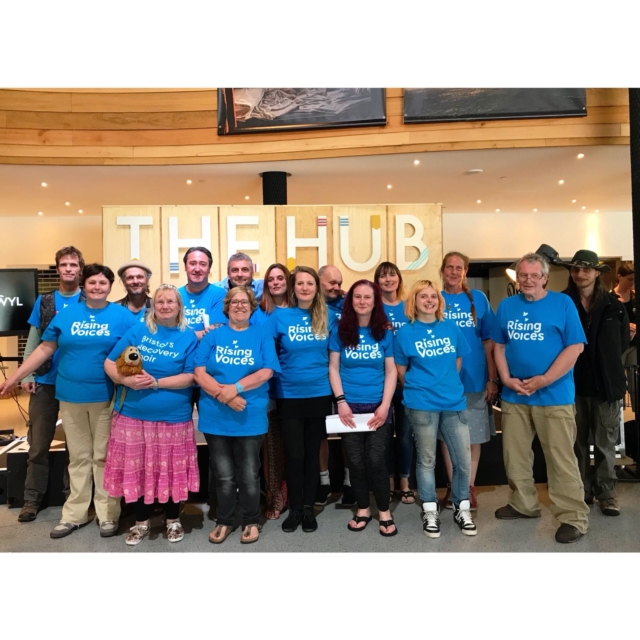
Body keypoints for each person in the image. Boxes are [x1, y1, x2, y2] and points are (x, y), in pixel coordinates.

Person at [0, 264, 137, 539]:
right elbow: (44, 348)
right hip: (70, 396)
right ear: (83, 286)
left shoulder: (122, 317)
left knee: (103, 457)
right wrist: (15, 377)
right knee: (78, 458)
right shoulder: (67, 315)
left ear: (110, 287)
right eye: (92, 283)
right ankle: (74, 514)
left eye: (103, 283)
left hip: (107, 398)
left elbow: (136, 352)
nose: (97, 287)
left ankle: (107, 514)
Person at [492, 252, 589, 544]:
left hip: (554, 395)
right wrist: (506, 379)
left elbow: (575, 348)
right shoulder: (507, 306)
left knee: (561, 460)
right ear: (517, 278)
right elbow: (498, 346)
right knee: (515, 457)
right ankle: (524, 504)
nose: (529, 280)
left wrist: (544, 379)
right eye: (523, 275)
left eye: (535, 275)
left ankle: (573, 518)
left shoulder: (563, 304)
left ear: (545, 278)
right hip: (515, 396)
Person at [103, 284, 200, 545]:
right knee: (139, 472)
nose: (165, 306)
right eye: (160, 302)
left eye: (171, 301)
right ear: (152, 305)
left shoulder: (188, 336)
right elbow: (110, 362)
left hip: (173, 416)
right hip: (133, 415)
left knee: (169, 471)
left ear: (179, 306)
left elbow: (191, 376)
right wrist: (124, 381)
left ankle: (172, 520)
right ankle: (141, 522)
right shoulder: (138, 330)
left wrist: (156, 383)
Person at [195, 286, 280, 544]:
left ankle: (251, 520)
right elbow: (199, 372)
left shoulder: (262, 333)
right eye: (234, 302)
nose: (240, 306)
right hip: (215, 416)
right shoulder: (213, 336)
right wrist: (226, 396)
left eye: (244, 302)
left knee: (249, 472)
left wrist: (236, 389)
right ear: (227, 306)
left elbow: (267, 371)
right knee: (223, 474)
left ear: (252, 307)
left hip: (250, 415)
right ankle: (224, 520)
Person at [395, 280, 476, 539]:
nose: (429, 300)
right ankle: (430, 509)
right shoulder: (405, 333)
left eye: (433, 297)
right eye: (423, 297)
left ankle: (461, 507)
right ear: (414, 302)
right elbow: (400, 371)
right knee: (427, 459)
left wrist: (446, 383)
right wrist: (424, 388)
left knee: (462, 460)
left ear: (439, 302)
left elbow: (458, 360)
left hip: (453, 403)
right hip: (421, 405)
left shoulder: (451, 327)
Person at [16, 245, 84, 523]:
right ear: (57, 269)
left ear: (81, 268)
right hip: (44, 381)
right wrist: (27, 374)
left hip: (77, 384)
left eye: (73, 265)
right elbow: (34, 340)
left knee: (77, 448)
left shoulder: (90, 299)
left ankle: (73, 500)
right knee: (38, 445)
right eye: (64, 265)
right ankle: (32, 499)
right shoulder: (44, 301)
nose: (69, 269)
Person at [267, 266, 337, 532]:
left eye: (310, 283)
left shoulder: (328, 317)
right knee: (294, 455)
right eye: (300, 283)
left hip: (319, 394)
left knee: (311, 455)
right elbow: (267, 353)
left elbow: (340, 351)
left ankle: (308, 508)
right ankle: (295, 508)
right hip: (289, 395)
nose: (305, 287)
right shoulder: (279, 317)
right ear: (293, 288)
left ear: (316, 287)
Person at [329, 280, 398, 536]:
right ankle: (363, 509)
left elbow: (391, 371)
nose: (362, 301)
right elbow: (333, 368)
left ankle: (384, 511)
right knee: (356, 462)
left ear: (375, 301)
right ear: (350, 301)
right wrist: (341, 402)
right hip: (349, 409)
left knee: (376, 460)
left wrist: (385, 406)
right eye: (357, 297)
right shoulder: (339, 330)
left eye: (367, 297)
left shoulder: (384, 331)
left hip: (378, 408)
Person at [563, 250, 629, 516]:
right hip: (571, 385)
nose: (581, 274)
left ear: (597, 272)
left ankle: (607, 493)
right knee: (575, 442)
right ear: (571, 272)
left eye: (586, 269)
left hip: (606, 386)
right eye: (576, 269)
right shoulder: (563, 303)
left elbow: (622, 344)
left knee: (605, 442)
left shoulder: (615, 306)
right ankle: (582, 490)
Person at [440, 251, 498, 510]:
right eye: (449, 267)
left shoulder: (478, 299)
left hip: (474, 380)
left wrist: (492, 378)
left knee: (472, 438)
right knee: (447, 437)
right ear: (442, 270)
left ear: (465, 272)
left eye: (459, 268)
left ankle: (469, 488)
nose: (454, 272)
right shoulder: (434, 299)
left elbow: (489, 342)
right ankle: (455, 488)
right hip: (441, 383)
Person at [251, 263, 291, 520]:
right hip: (264, 389)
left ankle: (288, 491)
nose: (276, 282)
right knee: (268, 446)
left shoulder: (300, 310)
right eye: (271, 279)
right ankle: (272, 495)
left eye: (280, 278)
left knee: (288, 445)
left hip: (293, 386)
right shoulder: (257, 312)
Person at [375, 260, 415, 505]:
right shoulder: (373, 308)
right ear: (377, 281)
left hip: (408, 383)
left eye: (392, 275)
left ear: (399, 279)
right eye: (383, 276)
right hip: (382, 384)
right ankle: (388, 482)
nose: (388, 280)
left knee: (405, 436)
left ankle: (405, 483)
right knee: (385, 436)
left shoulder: (409, 307)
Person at [316, 264, 355, 507]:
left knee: (349, 431)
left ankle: (350, 482)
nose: (336, 287)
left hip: (346, 378)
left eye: (339, 283)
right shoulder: (310, 306)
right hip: (320, 379)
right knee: (320, 434)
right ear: (318, 282)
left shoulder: (348, 304)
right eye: (331, 283)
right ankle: (324, 482)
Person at [179, 246, 227, 339]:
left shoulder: (219, 294)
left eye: (203, 264)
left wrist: (180, 336)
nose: (197, 269)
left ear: (209, 269)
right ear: (185, 267)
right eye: (192, 264)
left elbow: (215, 334)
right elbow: (168, 332)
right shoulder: (175, 295)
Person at [613, 261, 636, 410]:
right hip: (618, 346)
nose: (632, 283)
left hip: (634, 346)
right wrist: (625, 326)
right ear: (619, 277)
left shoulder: (635, 297)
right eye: (630, 279)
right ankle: (618, 413)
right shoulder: (610, 298)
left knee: (635, 381)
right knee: (617, 380)